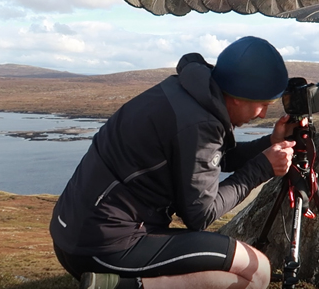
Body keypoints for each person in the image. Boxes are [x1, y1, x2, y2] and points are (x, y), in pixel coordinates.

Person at [50, 36, 297, 289]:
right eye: (262, 105)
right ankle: (118, 287)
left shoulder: (188, 93)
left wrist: (270, 142)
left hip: (74, 235)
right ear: (237, 96)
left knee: (244, 266)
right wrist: (262, 168)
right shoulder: (200, 124)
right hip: (102, 247)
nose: (264, 115)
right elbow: (201, 215)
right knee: (257, 272)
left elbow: (206, 160)